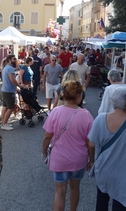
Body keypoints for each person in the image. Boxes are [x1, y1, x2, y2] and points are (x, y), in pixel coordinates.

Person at [88, 86, 126, 210]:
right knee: (120, 205)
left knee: (101, 202)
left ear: (112, 102)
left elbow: (91, 144)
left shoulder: (101, 119)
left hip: (103, 169)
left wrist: (92, 161)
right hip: (124, 173)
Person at [42, 80, 93, 211]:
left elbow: (47, 136)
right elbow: (90, 143)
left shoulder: (56, 112)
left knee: (60, 192)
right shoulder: (86, 115)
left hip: (59, 159)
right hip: (78, 159)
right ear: (78, 97)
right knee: (75, 188)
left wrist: (44, 153)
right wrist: (91, 160)